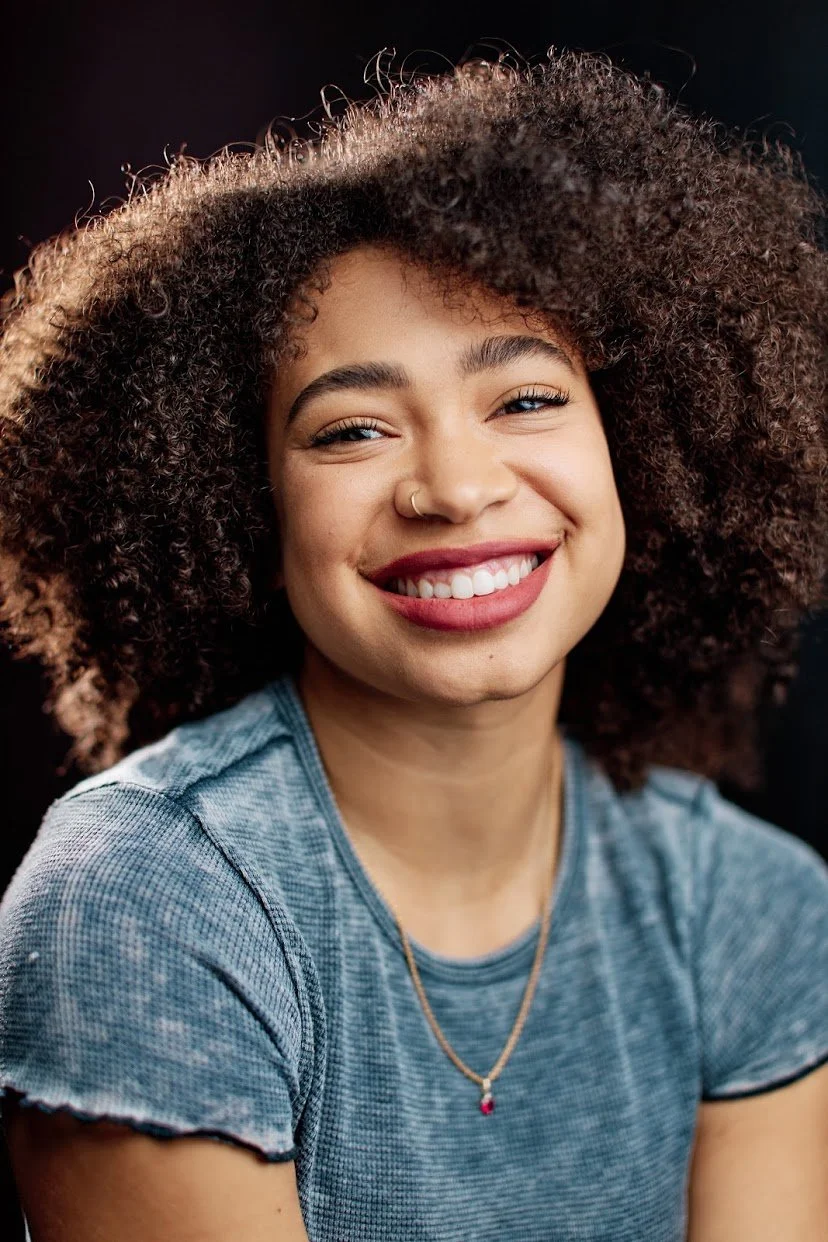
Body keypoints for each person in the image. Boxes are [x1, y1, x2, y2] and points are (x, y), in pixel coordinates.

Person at [0, 47, 826, 1242]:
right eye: (352, 430)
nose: (454, 485)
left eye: (527, 399)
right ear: (244, 508)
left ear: (640, 445)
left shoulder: (744, 911)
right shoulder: (144, 903)